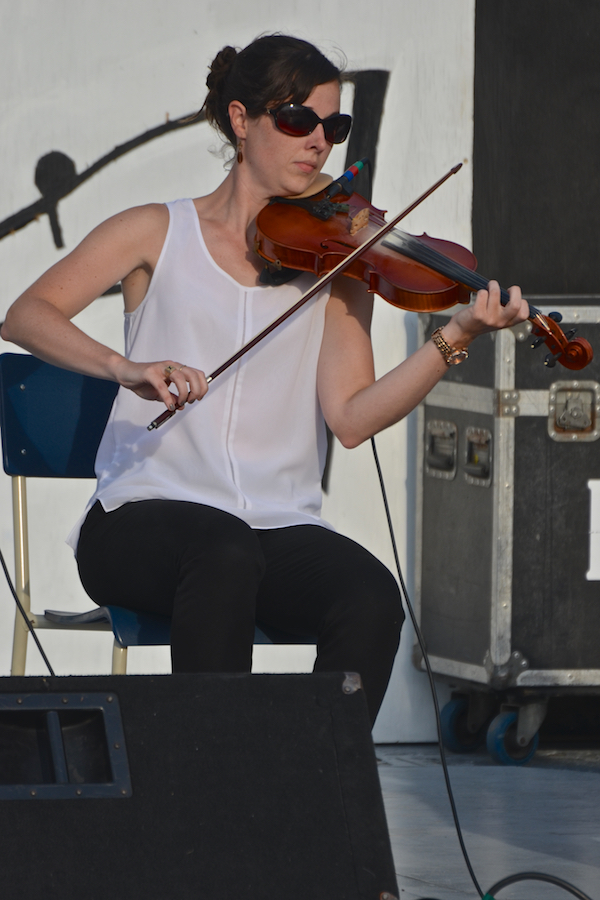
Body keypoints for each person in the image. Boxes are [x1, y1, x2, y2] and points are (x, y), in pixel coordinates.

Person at [1, 34, 529, 725]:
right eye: (297, 120)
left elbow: (351, 418)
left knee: (368, 594)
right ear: (242, 120)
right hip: (140, 516)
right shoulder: (154, 232)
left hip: (270, 527)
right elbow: (24, 316)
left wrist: (453, 339)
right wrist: (124, 368)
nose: (319, 142)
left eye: (333, 126)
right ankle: (215, 784)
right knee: (220, 552)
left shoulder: (339, 261)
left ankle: (314, 793)